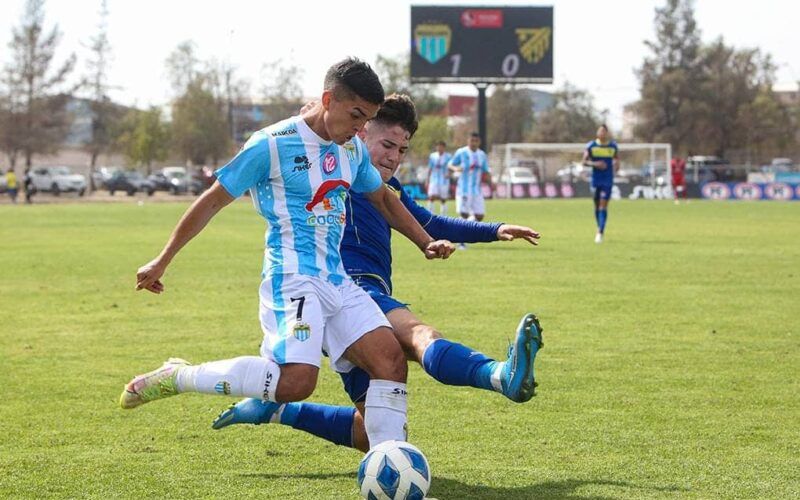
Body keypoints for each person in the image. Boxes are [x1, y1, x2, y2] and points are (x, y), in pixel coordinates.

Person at [119, 58, 455, 451]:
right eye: (356, 116)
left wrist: (424, 241)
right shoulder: (272, 144)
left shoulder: (351, 149)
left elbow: (382, 198)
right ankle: (178, 376)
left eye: (368, 119)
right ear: (328, 100)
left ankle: (388, 463)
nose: (361, 128)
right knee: (296, 382)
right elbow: (212, 201)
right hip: (292, 277)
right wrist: (162, 260)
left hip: (337, 280)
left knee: (390, 360)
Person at [212, 94, 544, 453]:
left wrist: (495, 230)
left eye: (402, 150)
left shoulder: (387, 189)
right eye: (387, 145)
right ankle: (499, 375)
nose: (394, 157)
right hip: (349, 293)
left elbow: (429, 222)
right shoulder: (338, 171)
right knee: (418, 335)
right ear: (360, 131)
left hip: (353, 304)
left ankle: (276, 411)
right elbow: (310, 133)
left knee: (371, 434)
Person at [449, 132, 492, 249]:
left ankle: (460, 230)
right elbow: (450, 165)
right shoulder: (461, 152)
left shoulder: (482, 155)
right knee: (464, 214)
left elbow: (486, 170)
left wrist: (491, 183)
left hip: (477, 190)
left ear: (479, 142)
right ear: (468, 141)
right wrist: (456, 168)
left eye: (476, 141)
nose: (473, 143)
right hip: (463, 189)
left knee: (479, 216)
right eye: (472, 141)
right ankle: (461, 241)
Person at [582, 124, 619, 243]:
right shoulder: (591, 146)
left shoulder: (613, 146)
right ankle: (600, 227)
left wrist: (616, 167)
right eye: (600, 131)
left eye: (604, 131)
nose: (602, 133)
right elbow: (584, 162)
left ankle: (600, 232)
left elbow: (617, 160)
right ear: (597, 133)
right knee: (597, 206)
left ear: (606, 133)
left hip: (607, 180)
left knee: (603, 205)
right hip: (595, 180)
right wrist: (595, 164)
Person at [426, 140, 451, 215]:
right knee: (431, 197)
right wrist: (427, 179)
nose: (440, 148)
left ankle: (443, 215)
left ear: (444, 147)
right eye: (438, 146)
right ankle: (430, 214)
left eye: (441, 147)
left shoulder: (448, 156)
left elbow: (451, 167)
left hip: (444, 181)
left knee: (443, 199)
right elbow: (430, 168)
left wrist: (449, 174)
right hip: (434, 180)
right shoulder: (432, 156)